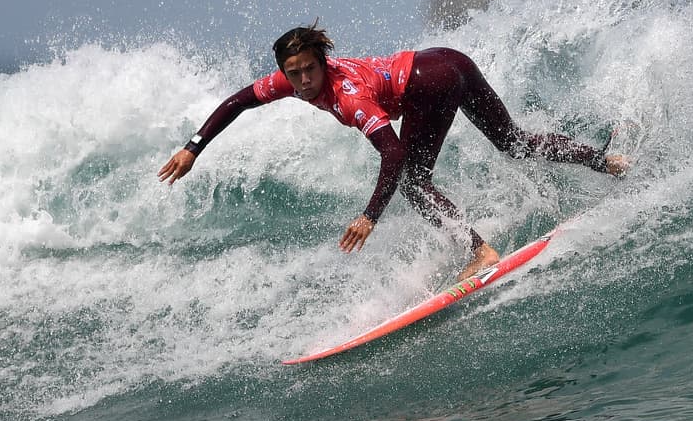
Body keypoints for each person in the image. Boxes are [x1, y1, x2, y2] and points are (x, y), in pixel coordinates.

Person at [158, 23, 629, 280]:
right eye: (294, 72)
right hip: (450, 59)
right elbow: (239, 101)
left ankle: (481, 251)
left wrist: (370, 216)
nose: (302, 81)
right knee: (516, 143)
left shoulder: (348, 96)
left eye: (309, 70)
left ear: (323, 65)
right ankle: (607, 162)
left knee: (412, 182)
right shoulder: (290, 81)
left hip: (430, 81)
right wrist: (193, 147)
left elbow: (393, 154)